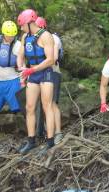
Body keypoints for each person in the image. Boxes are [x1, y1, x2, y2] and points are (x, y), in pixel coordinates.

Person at [16, 9, 56, 154]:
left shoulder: (46, 36)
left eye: (22, 25)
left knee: (47, 106)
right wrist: (21, 68)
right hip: (31, 74)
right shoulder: (25, 37)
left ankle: (50, 142)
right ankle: (31, 140)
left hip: (45, 73)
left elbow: (50, 59)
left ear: (29, 23)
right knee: (29, 107)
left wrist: (31, 71)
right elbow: (20, 54)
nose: (20, 28)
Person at [35, 16, 64, 145]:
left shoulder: (53, 38)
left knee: (51, 103)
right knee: (44, 103)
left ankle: (57, 133)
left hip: (52, 73)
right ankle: (46, 131)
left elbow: (53, 57)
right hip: (39, 74)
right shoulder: (33, 39)